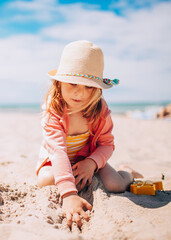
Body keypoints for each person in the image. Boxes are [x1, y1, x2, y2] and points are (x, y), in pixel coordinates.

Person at [36, 40, 142, 229]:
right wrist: (69, 195)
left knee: (115, 185)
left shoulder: (99, 110)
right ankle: (72, 179)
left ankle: (128, 172)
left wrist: (92, 163)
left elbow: (107, 144)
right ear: (58, 83)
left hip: (88, 157)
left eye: (89, 86)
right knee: (45, 180)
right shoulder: (54, 111)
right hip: (58, 159)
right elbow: (58, 152)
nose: (80, 93)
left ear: (98, 88)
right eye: (73, 83)